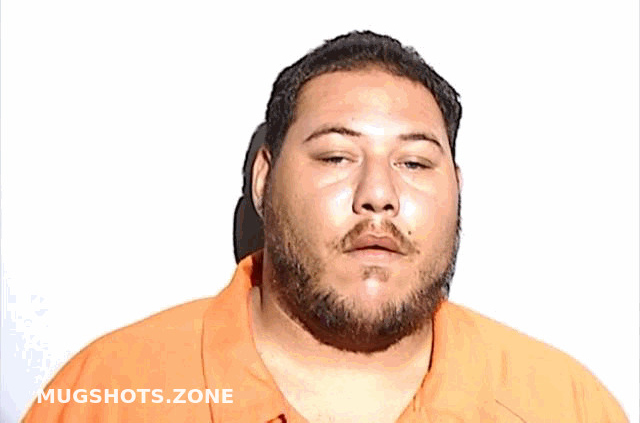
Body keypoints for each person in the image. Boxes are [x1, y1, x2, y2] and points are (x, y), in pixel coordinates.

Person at [23, 31, 627, 422]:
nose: (378, 196)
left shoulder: (564, 406)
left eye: (415, 163)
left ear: (457, 188)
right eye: (337, 156)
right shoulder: (110, 394)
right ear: (264, 181)